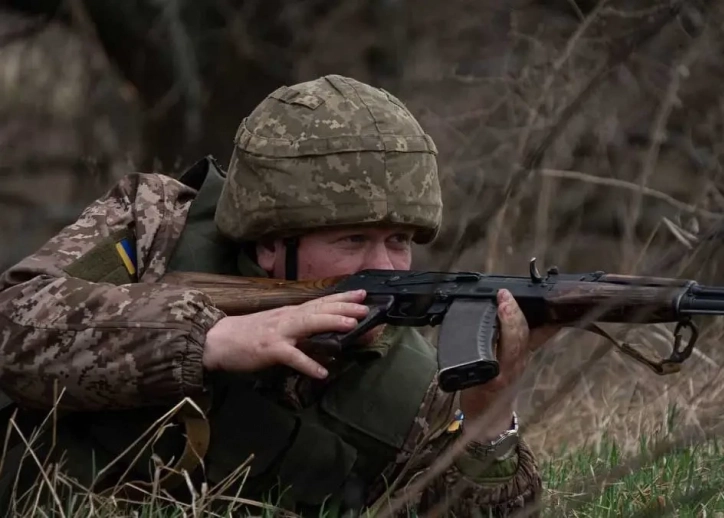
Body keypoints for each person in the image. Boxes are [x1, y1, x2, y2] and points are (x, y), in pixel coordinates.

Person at [0, 75, 557, 516]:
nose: (386, 267)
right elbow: (14, 324)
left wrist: (488, 420)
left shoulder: (411, 381)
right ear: (269, 243)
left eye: (400, 241)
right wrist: (207, 337)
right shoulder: (155, 230)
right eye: (354, 239)